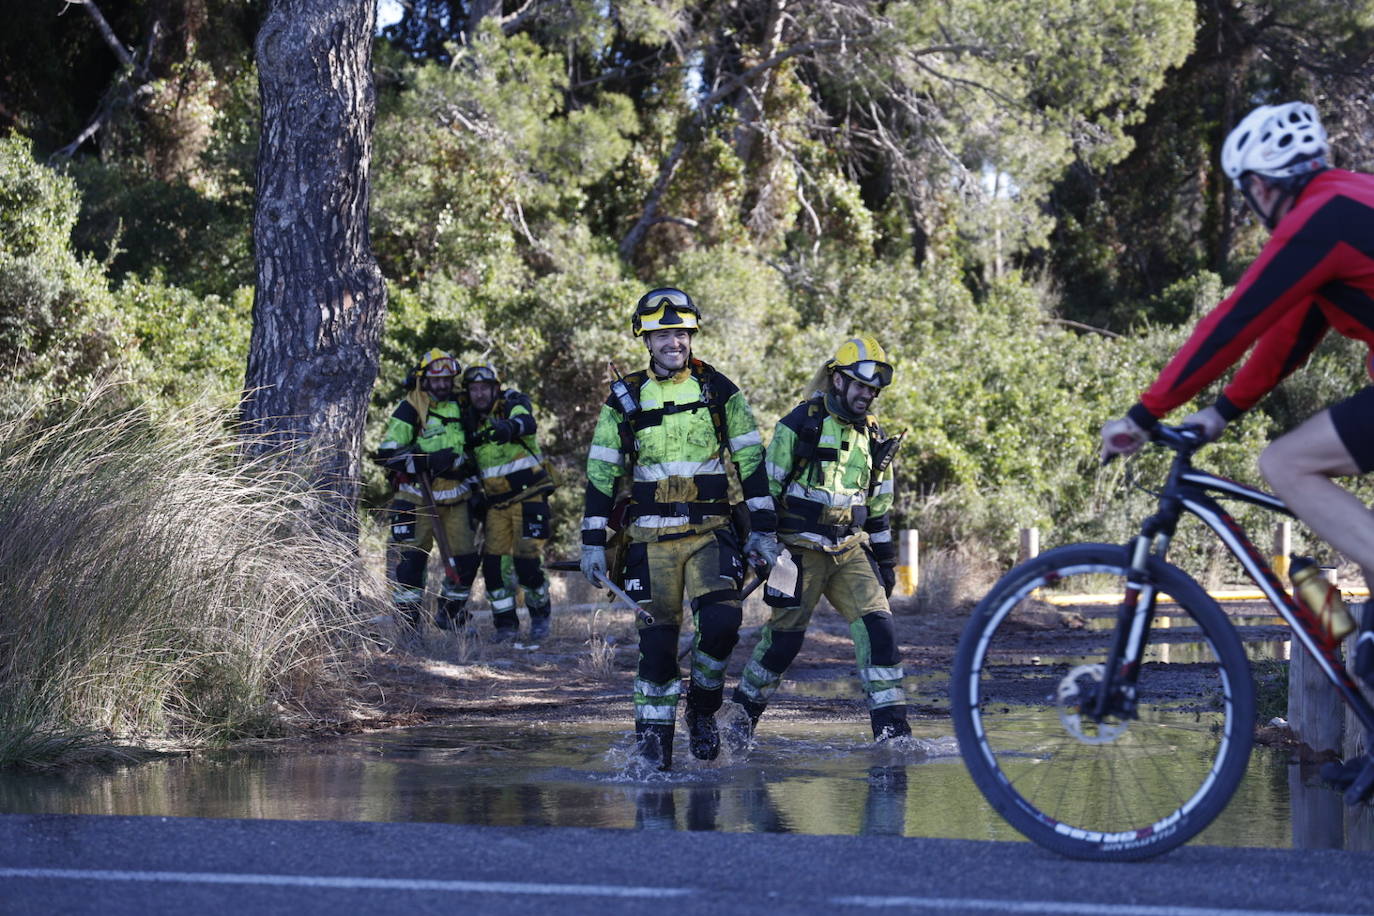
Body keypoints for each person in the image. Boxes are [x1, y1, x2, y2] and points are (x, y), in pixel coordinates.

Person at [1098, 101, 1374, 783]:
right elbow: (1287, 334)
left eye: (1248, 189)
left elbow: (1237, 319)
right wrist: (1218, 412)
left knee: (1285, 462)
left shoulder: (1321, 216)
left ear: (1262, 183)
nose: (1251, 204)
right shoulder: (1344, 206)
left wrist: (1145, 411)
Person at [579, 287, 779, 769]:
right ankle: (653, 756)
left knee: (722, 624)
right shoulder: (624, 398)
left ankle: (704, 710)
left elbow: (751, 461)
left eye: (681, 332)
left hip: (711, 531)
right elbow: (602, 471)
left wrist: (764, 531)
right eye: (662, 333)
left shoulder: (719, 391)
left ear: (691, 336)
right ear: (645, 341)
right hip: (648, 540)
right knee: (658, 651)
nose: (673, 340)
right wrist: (591, 544)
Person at [729, 335, 912, 743]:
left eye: (874, 388)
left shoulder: (873, 435)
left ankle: (893, 736)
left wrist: (885, 564)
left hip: (849, 551)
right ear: (839, 380)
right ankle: (738, 726)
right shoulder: (799, 424)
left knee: (880, 631)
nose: (869, 394)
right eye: (862, 385)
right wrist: (763, 546)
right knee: (782, 645)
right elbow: (765, 492)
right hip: (796, 554)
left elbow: (879, 506)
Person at [374, 348, 480, 634]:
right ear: (424, 380)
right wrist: (428, 461)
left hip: (456, 494)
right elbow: (386, 454)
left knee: (467, 558)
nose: (443, 385)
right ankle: (409, 629)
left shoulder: (461, 406)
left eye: (448, 379)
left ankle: (451, 614)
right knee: (411, 564)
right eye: (437, 380)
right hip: (416, 495)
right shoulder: (411, 407)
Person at [461, 363, 557, 643]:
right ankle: (505, 626)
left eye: (485, 388)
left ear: (495, 388)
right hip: (496, 506)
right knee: (493, 568)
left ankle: (540, 617)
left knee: (527, 564)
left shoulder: (513, 403)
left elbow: (527, 421)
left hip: (530, 498)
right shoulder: (469, 422)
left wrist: (509, 427)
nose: (480, 394)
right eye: (474, 389)